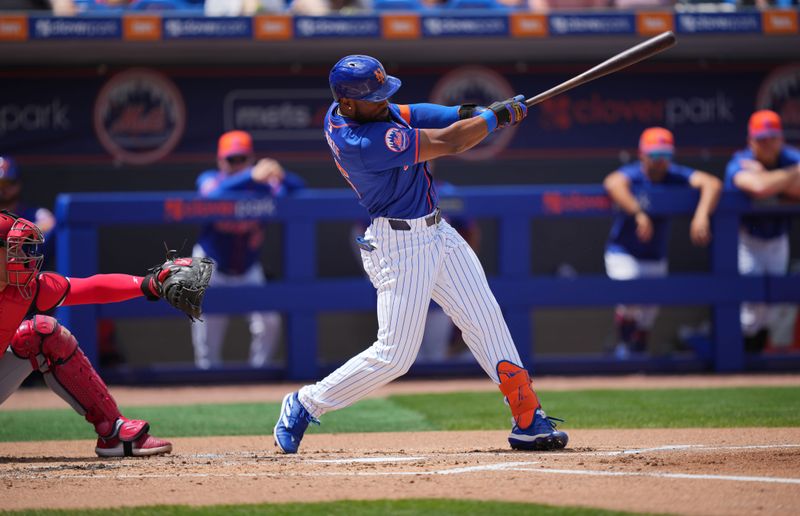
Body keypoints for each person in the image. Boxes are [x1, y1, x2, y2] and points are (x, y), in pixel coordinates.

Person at [273, 54, 567, 454]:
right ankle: (305, 403)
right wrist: (495, 119)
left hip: (438, 231)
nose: (384, 103)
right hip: (399, 246)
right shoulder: (363, 141)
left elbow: (415, 112)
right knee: (396, 356)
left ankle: (528, 417)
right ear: (347, 104)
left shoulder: (363, 109)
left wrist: (470, 111)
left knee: (486, 322)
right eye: (375, 98)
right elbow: (451, 141)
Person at [0, 210, 191, 457]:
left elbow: (93, 287)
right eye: (14, 249)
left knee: (42, 332)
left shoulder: (25, 289)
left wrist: (150, 284)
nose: (24, 257)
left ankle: (115, 433)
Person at [603, 127, 722, 359]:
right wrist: (638, 212)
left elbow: (712, 183)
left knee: (648, 312)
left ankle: (635, 351)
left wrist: (702, 214)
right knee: (631, 297)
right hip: (624, 250)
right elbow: (612, 182)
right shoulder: (635, 174)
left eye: (665, 155)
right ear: (642, 155)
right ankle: (624, 348)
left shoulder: (674, 174)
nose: (660, 162)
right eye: (655, 155)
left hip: (655, 254)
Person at [192, 130, 305, 370]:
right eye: (232, 160)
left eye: (242, 159)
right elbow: (211, 196)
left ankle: (257, 374)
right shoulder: (210, 178)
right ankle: (207, 379)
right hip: (211, 264)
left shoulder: (263, 187)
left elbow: (298, 188)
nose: (238, 165)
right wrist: (251, 175)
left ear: (251, 158)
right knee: (206, 326)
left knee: (269, 322)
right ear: (220, 161)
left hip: (247, 267)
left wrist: (279, 174)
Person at [725, 110, 800, 352]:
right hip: (747, 240)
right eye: (761, 139)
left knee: (773, 302)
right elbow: (758, 187)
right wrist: (789, 176)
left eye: (772, 138)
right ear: (751, 141)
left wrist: (770, 179)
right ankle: (740, 354)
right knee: (750, 301)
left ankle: (757, 357)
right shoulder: (740, 160)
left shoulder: (790, 157)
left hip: (778, 238)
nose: (767, 144)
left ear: (781, 139)